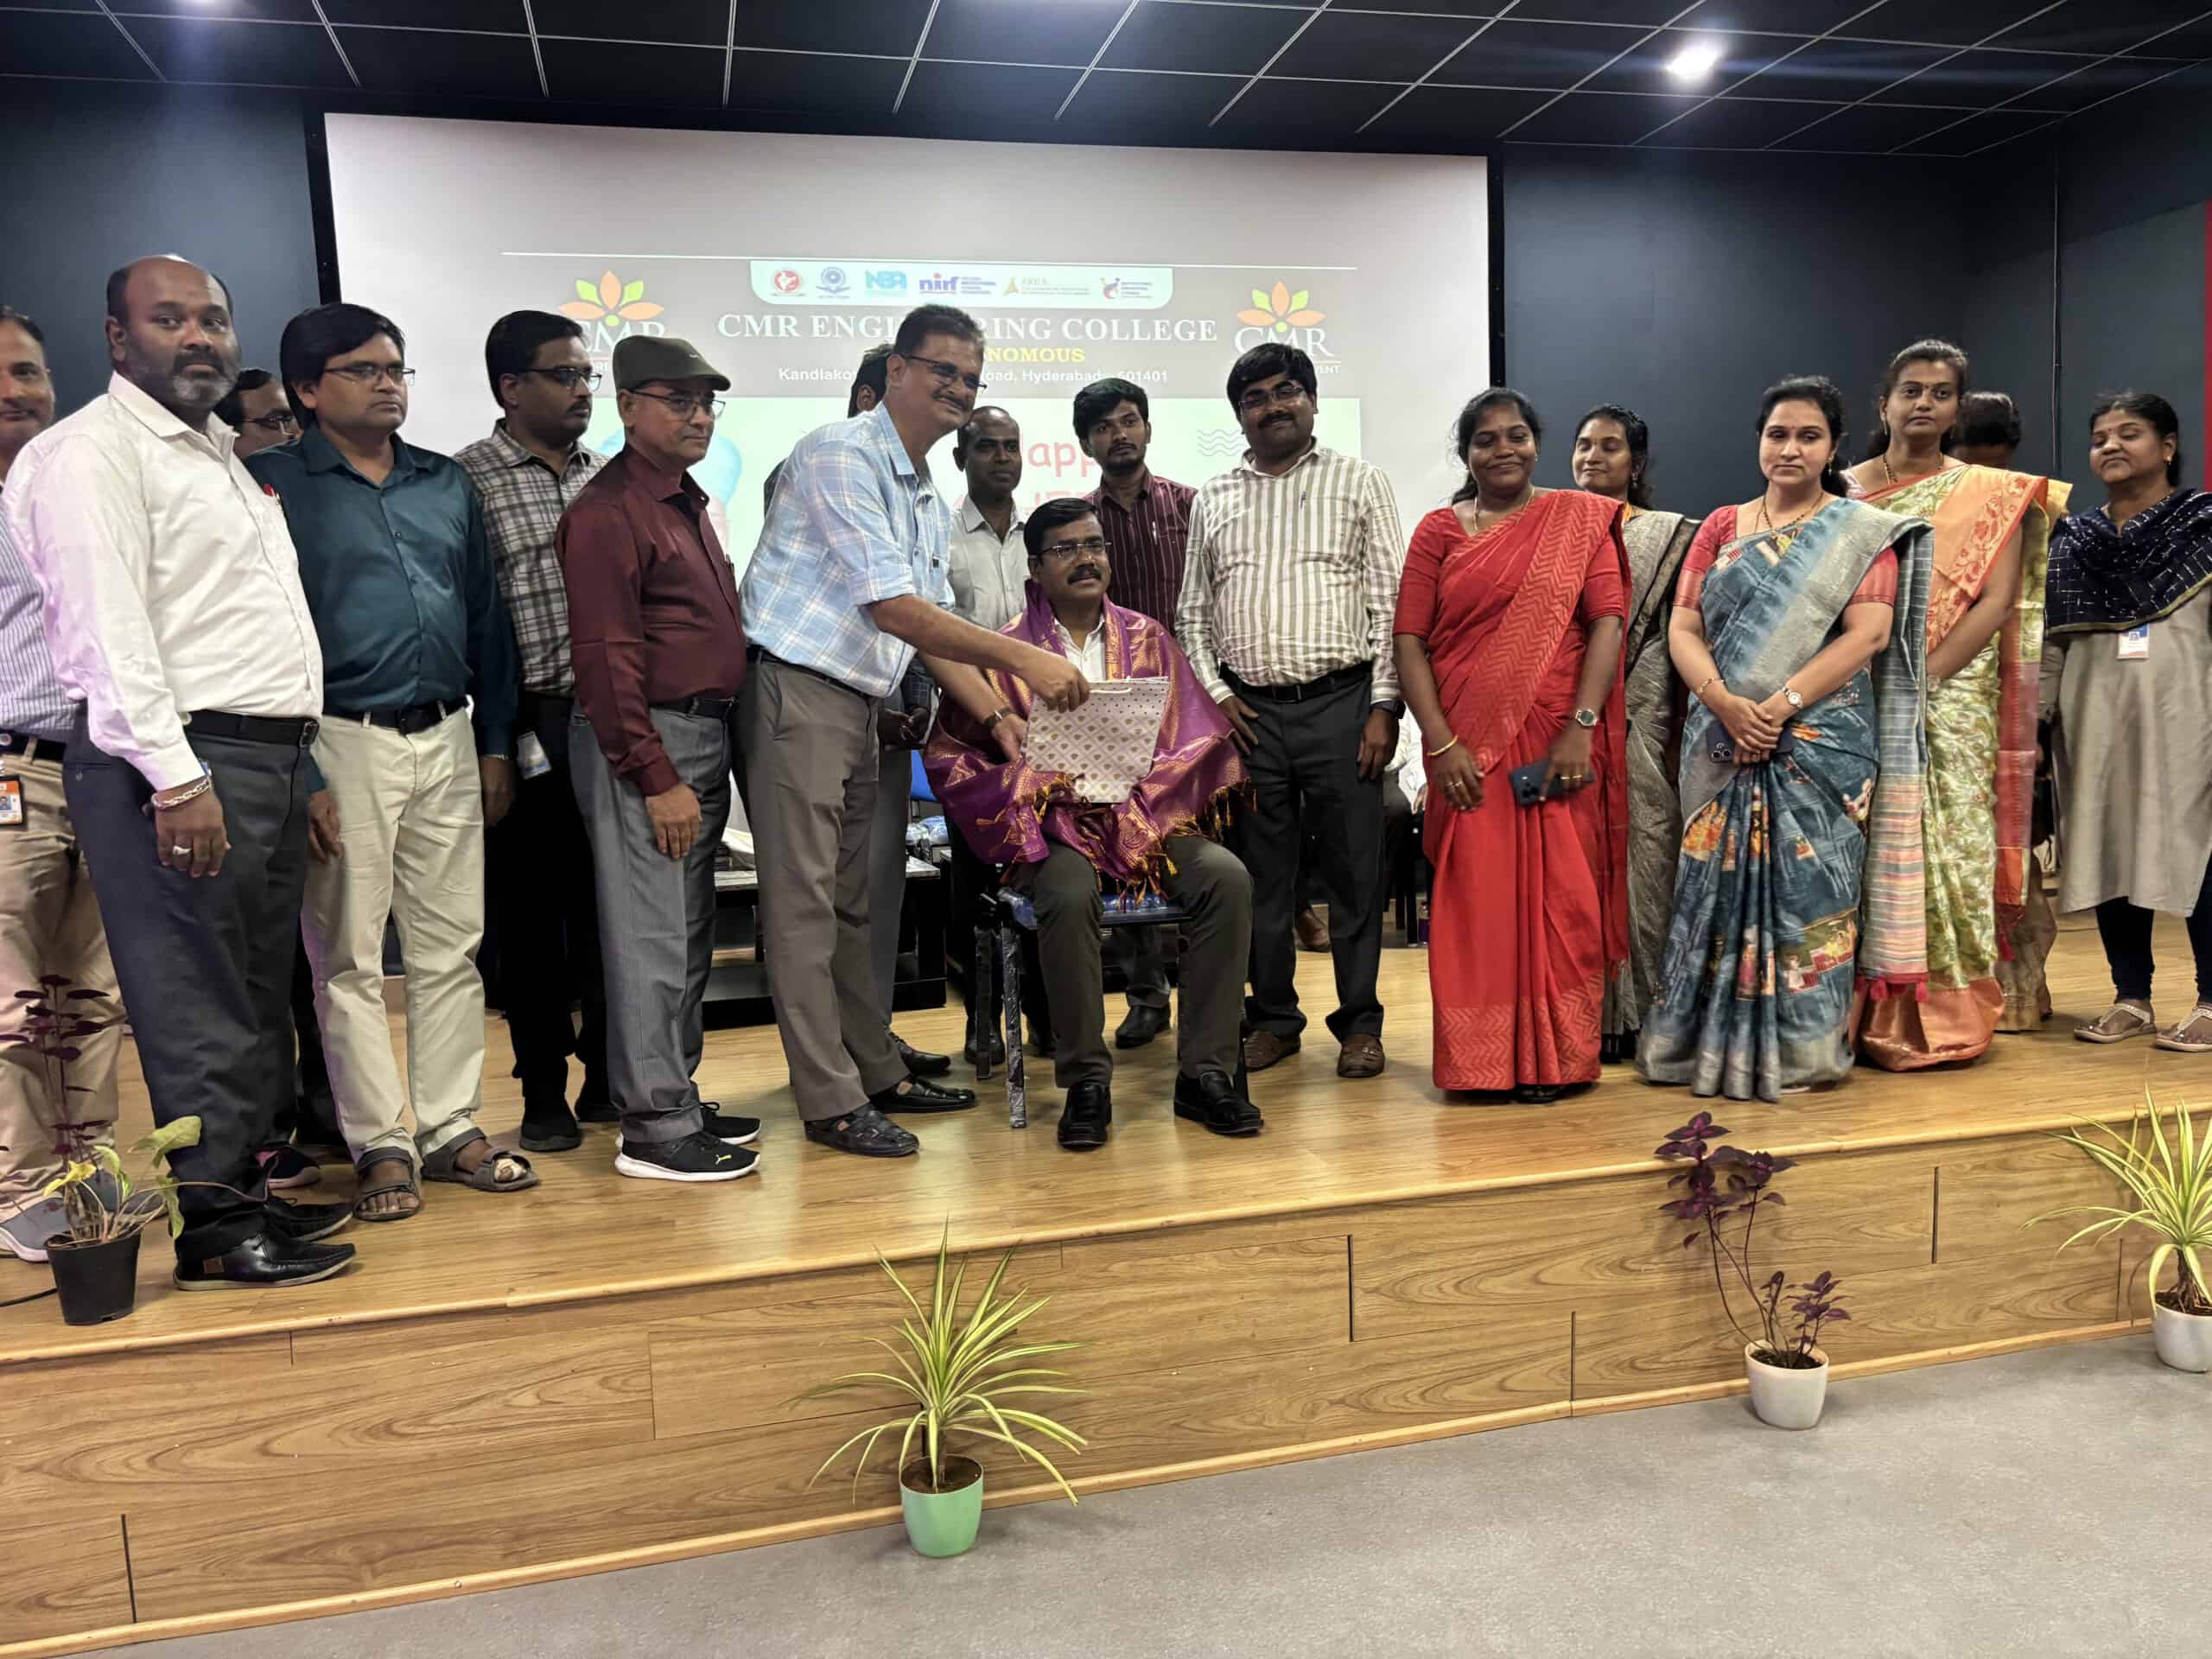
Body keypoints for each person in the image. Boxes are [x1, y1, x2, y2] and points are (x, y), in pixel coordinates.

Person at [8, 257, 353, 1287]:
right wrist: (176, 778)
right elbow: (104, 634)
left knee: (248, 994)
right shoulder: (91, 454)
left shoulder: (217, 455)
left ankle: (249, 1195)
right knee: (193, 1002)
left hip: (263, 754)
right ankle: (213, 1230)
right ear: (118, 339)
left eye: (213, 318)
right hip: (181, 761)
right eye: (169, 319)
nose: (198, 336)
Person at [741, 302, 1087, 1159]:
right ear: (896, 370)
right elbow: (891, 606)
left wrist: (999, 716)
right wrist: (1027, 660)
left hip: (863, 706)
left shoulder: (925, 491)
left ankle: (874, 1068)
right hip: (799, 693)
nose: (960, 390)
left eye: (971, 377)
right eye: (944, 371)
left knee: (854, 904)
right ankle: (828, 1099)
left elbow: (929, 629)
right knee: (804, 908)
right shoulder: (840, 452)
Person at [247, 303, 530, 1221]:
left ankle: (450, 1127)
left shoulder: (444, 482)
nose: (388, 385)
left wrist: (494, 743)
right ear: (306, 388)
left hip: (447, 733)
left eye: (396, 369)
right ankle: (380, 1143)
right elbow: (260, 637)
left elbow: (486, 618)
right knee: (348, 957)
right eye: (363, 370)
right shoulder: (270, 485)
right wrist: (306, 775)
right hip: (339, 737)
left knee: (451, 946)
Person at [925, 499, 1256, 1148]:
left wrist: (1140, 796)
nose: (1086, 559)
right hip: (1054, 831)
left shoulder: (1149, 638)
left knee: (1226, 878)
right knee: (1068, 892)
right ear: (1035, 568)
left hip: (1146, 820)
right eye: (1067, 549)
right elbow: (958, 756)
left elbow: (1192, 740)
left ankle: (1206, 1074)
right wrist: (1035, 789)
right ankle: (1085, 1080)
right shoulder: (1006, 651)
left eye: (1095, 545)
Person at [1638, 375, 1931, 1102]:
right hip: (1723, 736)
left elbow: (1868, 634)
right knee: (1707, 893)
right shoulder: (1720, 526)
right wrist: (1726, 703)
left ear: (1833, 447)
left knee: (1811, 896)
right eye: (1778, 434)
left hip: (1819, 746)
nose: (1790, 449)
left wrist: (1777, 706)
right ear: (1759, 441)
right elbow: (1684, 627)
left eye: (1808, 436)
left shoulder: (1859, 531)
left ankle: (1802, 1053)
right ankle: (1693, 1049)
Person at [560, 334, 762, 1183]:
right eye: (679, 401)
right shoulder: (608, 511)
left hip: (699, 733)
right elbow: (606, 658)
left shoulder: (682, 499)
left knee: (684, 935)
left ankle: (675, 1095)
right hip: (651, 742)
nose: (700, 417)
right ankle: (653, 1128)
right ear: (627, 407)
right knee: (650, 936)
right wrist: (654, 775)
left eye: (708, 403)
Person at [1179, 342, 1405, 1079]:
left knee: (1355, 875)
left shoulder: (1359, 481)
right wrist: (1217, 697)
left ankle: (1360, 1024)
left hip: (1343, 706)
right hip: (1250, 718)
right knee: (1260, 878)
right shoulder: (1214, 496)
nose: (1272, 406)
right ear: (1238, 414)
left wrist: (1384, 705)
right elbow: (1192, 615)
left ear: (1312, 401)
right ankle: (1274, 1019)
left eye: (1286, 392)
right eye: (1255, 398)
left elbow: (1391, 603)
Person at [1395, 391, 1628, 1100]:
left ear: (1536, 443)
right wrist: (1441, 746)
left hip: (1556, 742)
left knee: (1564, 898)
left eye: (1517, 435)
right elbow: (1410, 640)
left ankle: (1559, 1058)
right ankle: (1483, 1064)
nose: (1504, 449)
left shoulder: (1577, 521)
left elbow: (1607, 623)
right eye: (1486, 439)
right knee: (1479, 904)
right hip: (1467, 750)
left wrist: (1580, 729)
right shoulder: (1439, 531)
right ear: (1466, 453)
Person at [1845, 342, 2053, 1071]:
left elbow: (1996, 601)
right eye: (1911, 390)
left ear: (1958, 409)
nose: (1924, 404)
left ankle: (1941, 1014)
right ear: (1885, 404)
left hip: (1951, 694)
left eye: (1940, 393)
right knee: (1859, 846)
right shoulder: (1843, 492)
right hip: (1856, 688)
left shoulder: (1991, 495)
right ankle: (1853, 1008)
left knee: (1954, 843)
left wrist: (1921, 682)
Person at [455, 311, 613, 1153]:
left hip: (613, 721)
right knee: (530, 919)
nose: (583, 390)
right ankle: (543, 1088)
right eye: (564, 375)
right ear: (511, 387)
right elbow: (467, 617)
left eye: (588, 375)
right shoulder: (464, 482)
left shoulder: (612, 476)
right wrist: (497, 740)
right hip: (525, 720)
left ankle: (611, 1078)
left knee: (609, 911)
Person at [0, 308, 124, 1263]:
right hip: (11, 769)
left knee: (94, 994)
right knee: (11, 1002)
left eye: (29, 372)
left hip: (105, 768)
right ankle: (19, 1190)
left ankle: (88, 1174)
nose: (16, 391)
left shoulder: (85, 486)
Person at [2043, 392, 2212, 1052]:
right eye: (2099, 438)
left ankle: (2210, 1000)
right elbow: (2051, 640)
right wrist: (2037, 723)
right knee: (2107, 844)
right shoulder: (2073, 541)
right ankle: (2131, 997)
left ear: (2167, 447)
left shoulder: (2203, 526)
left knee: (2201, 847)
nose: (2111, 445)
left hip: (2187, 716)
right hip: (2093, 719)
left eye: (2129, 433)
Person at [212, 366, 332, 1184]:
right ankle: (259, 1138)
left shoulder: (285, 513)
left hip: (297, 752)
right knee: (258, 969)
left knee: (311, 960)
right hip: (232, 759)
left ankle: (322, 1114)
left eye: (292, 423)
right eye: (273, 423)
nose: (289, 436)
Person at [1570, 404, 1700, 1064]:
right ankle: (1581, 1015)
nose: (1593, 456)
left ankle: (1646, 1011)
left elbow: (1684, 635)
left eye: (1610, 446)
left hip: (1645, 719)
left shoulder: (1671, 536)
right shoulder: (1554, 531)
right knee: (1574, 863)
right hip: (1568, 720)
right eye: (1584, 444)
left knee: (1648, 850)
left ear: (1637, 463)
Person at [1077, 376, 1199, 1049]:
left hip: (1194, 706)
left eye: (1128, 421)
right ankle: (1147, 994)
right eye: (1103, 427)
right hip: (1116, 709)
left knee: (1203, 845)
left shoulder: (1191, 506)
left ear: (1147, 428)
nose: (1118, 435)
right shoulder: (1079, 522)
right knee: (1127, 849)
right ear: (1086, 444)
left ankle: (1213, 994)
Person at [1948, 387, 2073, 1029]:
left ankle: (2020, 991)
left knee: (2009, 846)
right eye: (1974, 463)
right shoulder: (1929, 503)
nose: (1987, 479)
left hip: (2011, 703)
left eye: (1996, 463)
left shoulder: (2036, 509)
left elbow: (2048, 625)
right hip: (1947, 698)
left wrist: (2040, 718)